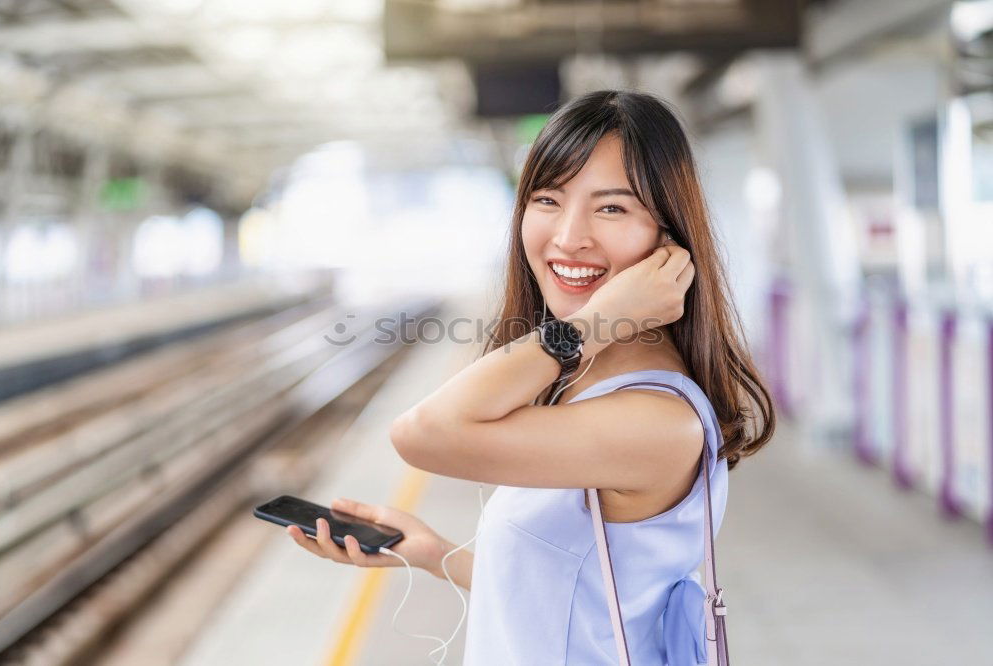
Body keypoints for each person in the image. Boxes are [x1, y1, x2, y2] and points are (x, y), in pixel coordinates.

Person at [287, 89, 775, 664]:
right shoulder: (587, 386)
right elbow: (581, 597)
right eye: (548, 199)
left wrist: (597, 322)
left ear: (670, 244)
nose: (569, 237)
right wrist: (432, 551)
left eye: (612, 208)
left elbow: (420, 433)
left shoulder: (657, 422)